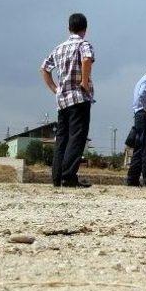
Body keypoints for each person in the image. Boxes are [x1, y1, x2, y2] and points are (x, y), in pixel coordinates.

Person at [41, 13, 94, 188]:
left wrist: (54, 89)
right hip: (78, 97)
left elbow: (44, 68)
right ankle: (69, 176)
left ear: (68, 28)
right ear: (85, 29)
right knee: (77, 137)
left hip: (62, 99)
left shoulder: (59, 48)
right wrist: (84, 82)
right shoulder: (83, 44)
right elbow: (87, 59)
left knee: (61, 138)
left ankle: (57, 177)